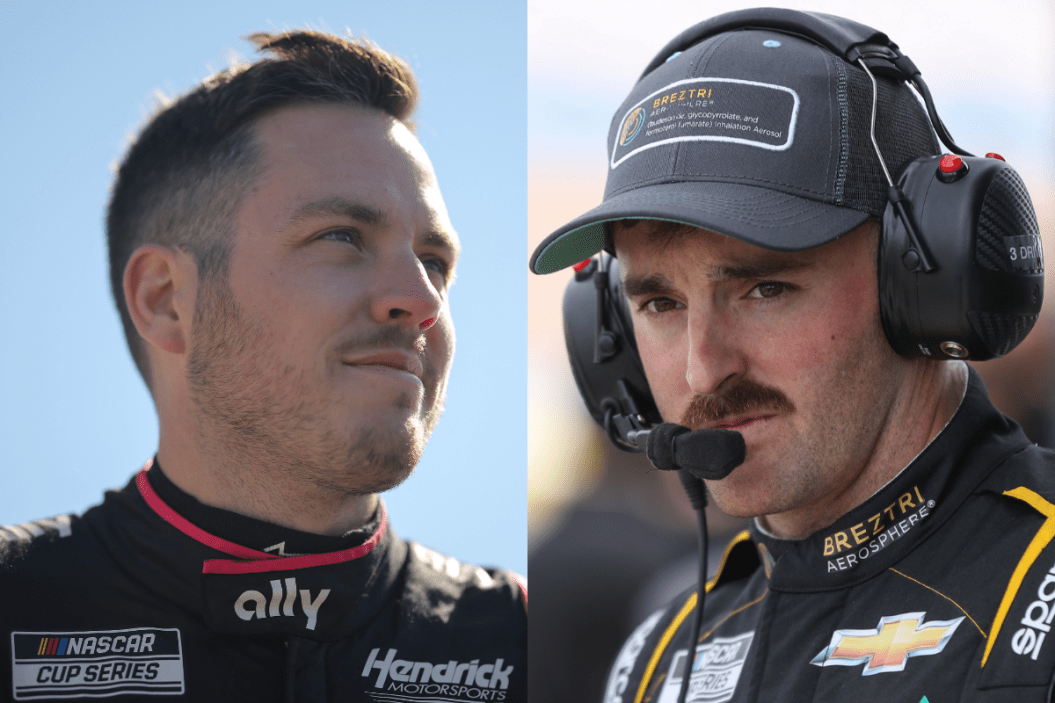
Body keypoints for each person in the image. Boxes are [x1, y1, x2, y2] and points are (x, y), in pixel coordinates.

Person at [530, 8, 1053, 702]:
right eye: (660, 304)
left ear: (921, 288)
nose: (700, 372)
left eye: (764, 288)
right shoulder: (658, 657)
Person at [1, 30, 526, 701]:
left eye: (435, 262)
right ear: (166, 301)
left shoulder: (520, 635)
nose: (421, 300)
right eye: (340, 236)